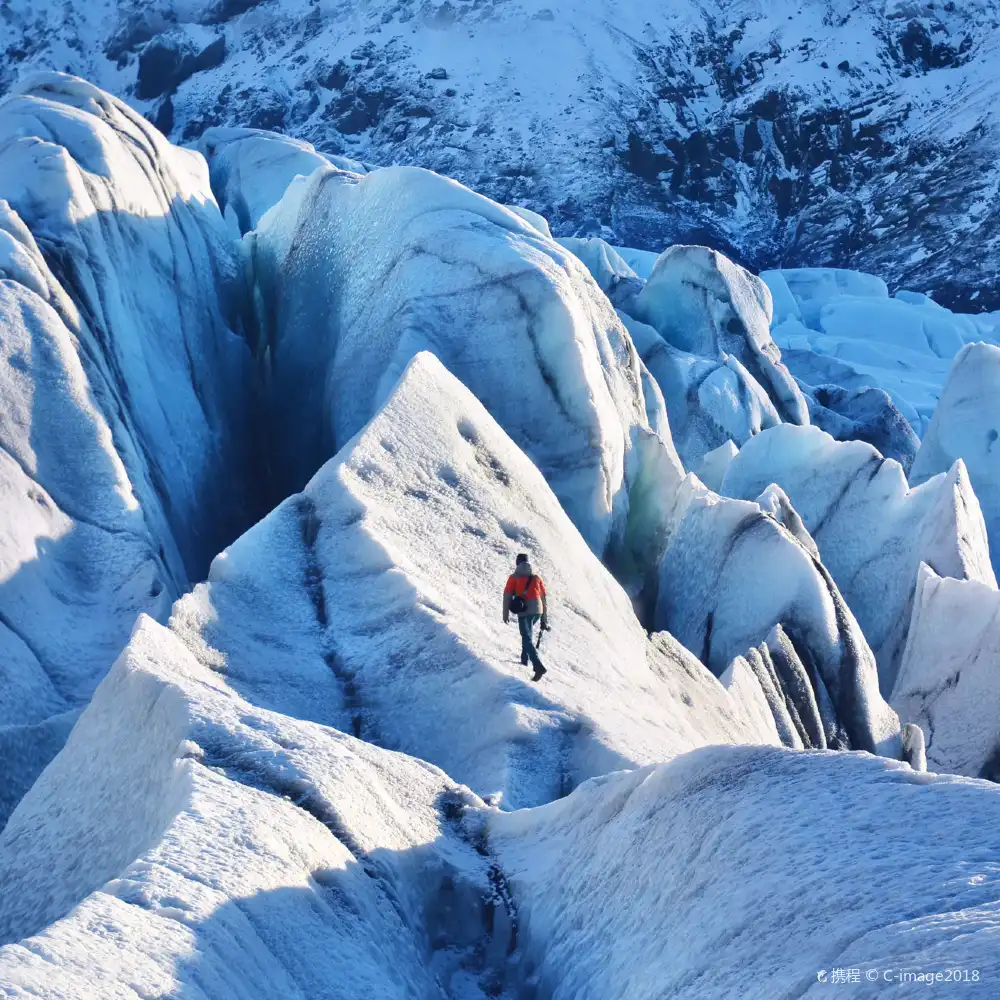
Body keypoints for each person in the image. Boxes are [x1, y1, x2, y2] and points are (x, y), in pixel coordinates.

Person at [502, 553, 548, 681]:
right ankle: (524, 660)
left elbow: (507, 596)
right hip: (538, 610)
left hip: (525, 611)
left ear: (517, 563)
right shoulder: (536, 577)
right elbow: (544, 598)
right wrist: (544, 619)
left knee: (526, 637)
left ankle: (538, 666)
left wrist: (505, 613)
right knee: (527, 635)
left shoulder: (514, 577)